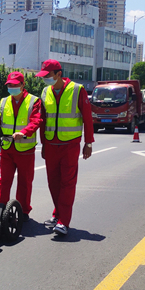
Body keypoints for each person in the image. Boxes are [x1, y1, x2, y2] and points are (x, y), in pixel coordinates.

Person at [36, 59, 94, 236]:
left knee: (67, 184)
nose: (45, 79)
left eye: (48, 76)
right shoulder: (46, 91)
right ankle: (58, 213)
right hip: (51, 144)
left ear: (58, 74)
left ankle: (63, 222)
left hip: (70, 145)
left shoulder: (77, 90)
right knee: (53, 183)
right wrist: (43, 144)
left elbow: (87, 117)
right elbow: (43, 120)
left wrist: (88, 143)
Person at [0, 71, 42, 221]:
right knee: (4, 181)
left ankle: (23, 211)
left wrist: (24, 132)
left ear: (22, 85)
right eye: (10, 85)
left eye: (15, 85)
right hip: (6, 148)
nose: (12, 87)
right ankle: (2, 208)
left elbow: (36, 121)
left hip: (25, 149)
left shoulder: (34, 101)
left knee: (24, 182)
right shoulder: (3, 102)